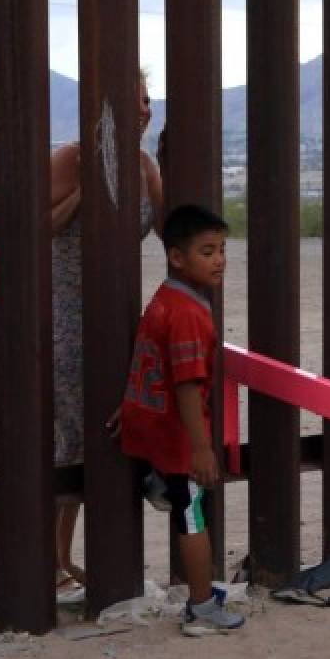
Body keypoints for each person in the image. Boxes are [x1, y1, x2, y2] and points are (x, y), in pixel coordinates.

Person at [48, 72, 164, 593]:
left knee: (110, 430)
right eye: (133, 99)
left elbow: (167, 229)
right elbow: (40, 225)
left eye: (146, 100)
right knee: (70, 432)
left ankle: (100, 558)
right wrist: (88, 185)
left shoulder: (144, 166)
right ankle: (54, 561)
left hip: (118, 313)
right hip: (68, 314)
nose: (143, 108)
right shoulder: (69, 157)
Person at [112, 203, 244, 636]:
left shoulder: (164, 299)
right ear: (176, 256)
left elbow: (147, 361)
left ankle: (160, 483)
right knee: (193, 515)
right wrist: (202, 448)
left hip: (146, 420)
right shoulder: (190, 313)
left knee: (181, 500)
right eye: (207, 252)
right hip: (176, 435)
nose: (220, 260)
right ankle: (201, 607)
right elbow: (187, 384)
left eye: (222, 249)